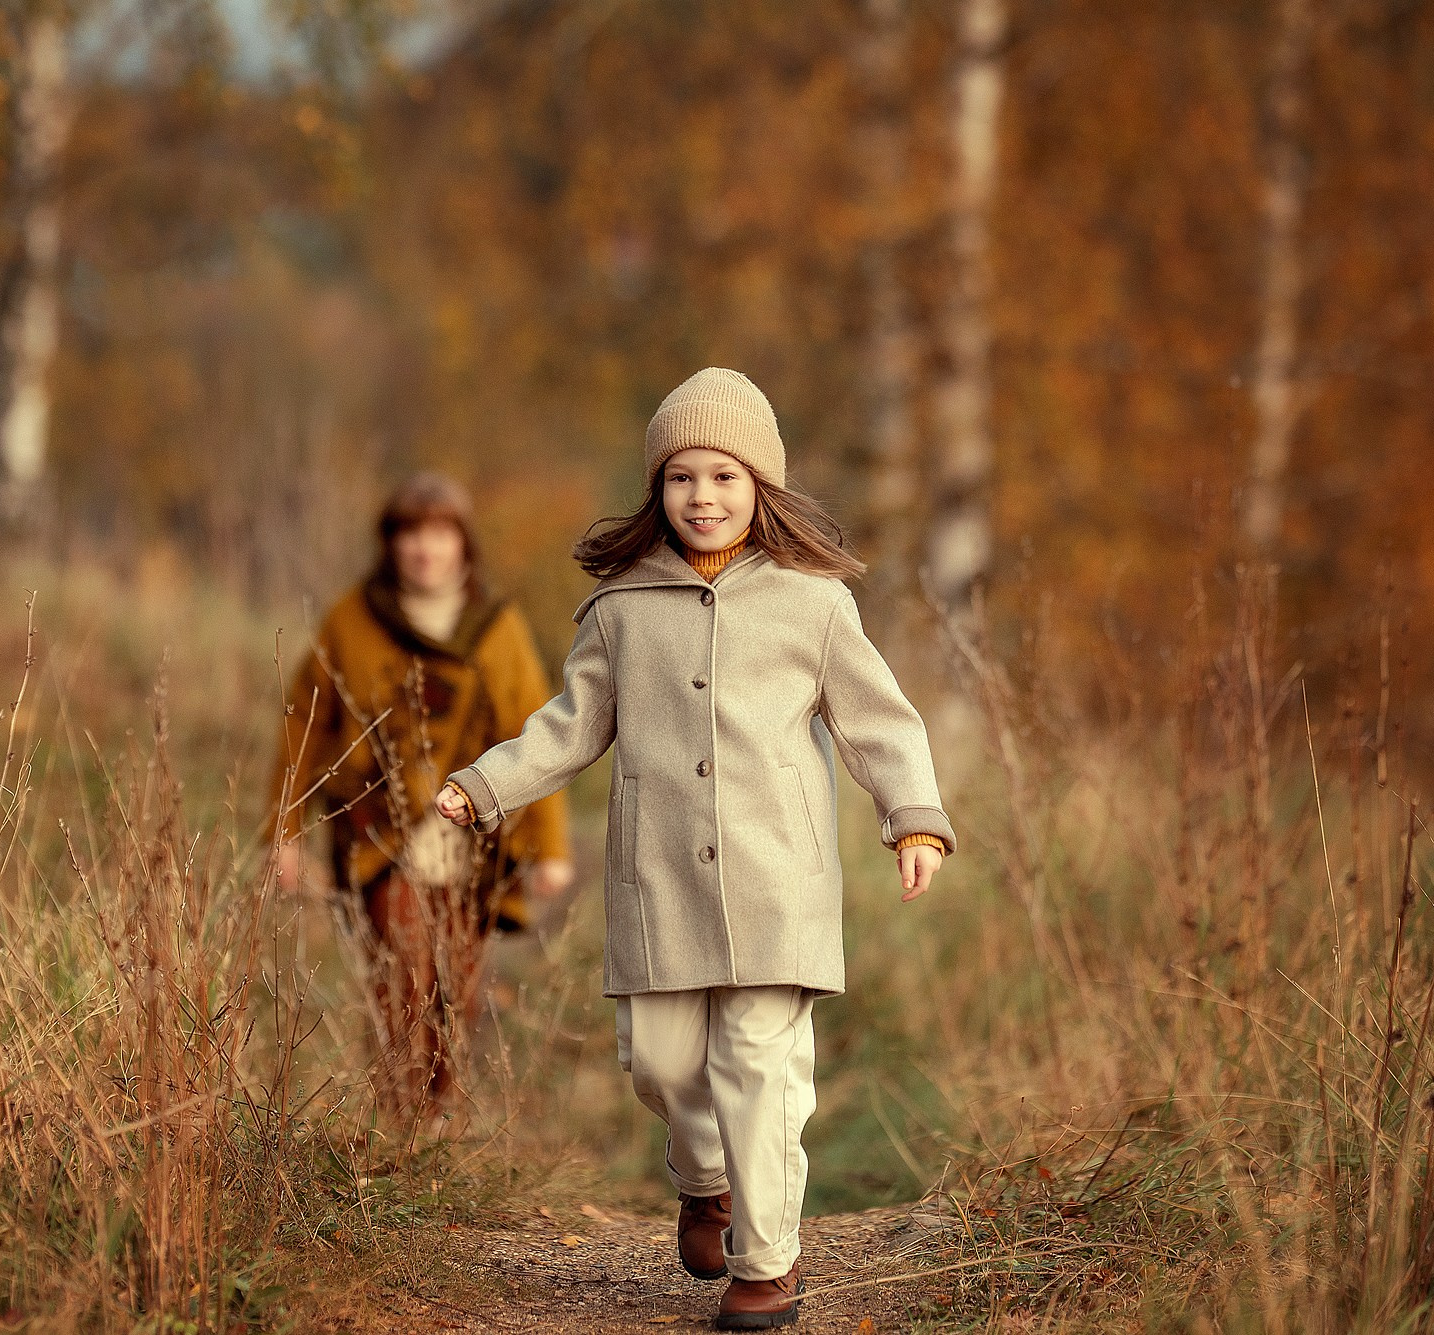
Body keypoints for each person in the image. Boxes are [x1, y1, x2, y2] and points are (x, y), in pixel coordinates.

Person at [435, 368, 954, 1330]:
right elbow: (569, 726)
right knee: (663, 1064)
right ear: (657, 489)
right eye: (681, 477)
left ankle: (768, 1265)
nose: (702, 496)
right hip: (659, 879)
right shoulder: (622, 606)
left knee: (761, 1066)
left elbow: (880, 721)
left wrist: (913, 818)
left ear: (761, 486)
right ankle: (704, 1178)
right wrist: (486, 783)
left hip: (777, 878)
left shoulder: (813, 602)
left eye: (723, 476)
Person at [270, 472, 574, 1119]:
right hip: (380, 835)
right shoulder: (352, 619)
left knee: (457, 991)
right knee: (402, 979)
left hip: (476, 841)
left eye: (439, 533)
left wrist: (549, 846)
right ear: (391, 542)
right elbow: (306, 722)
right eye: (410, 533)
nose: (424, 549)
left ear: (463, 543)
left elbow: (536, 731)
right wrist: (284, 832)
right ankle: (400, 1121)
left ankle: (437, 1126)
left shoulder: (498, 627)